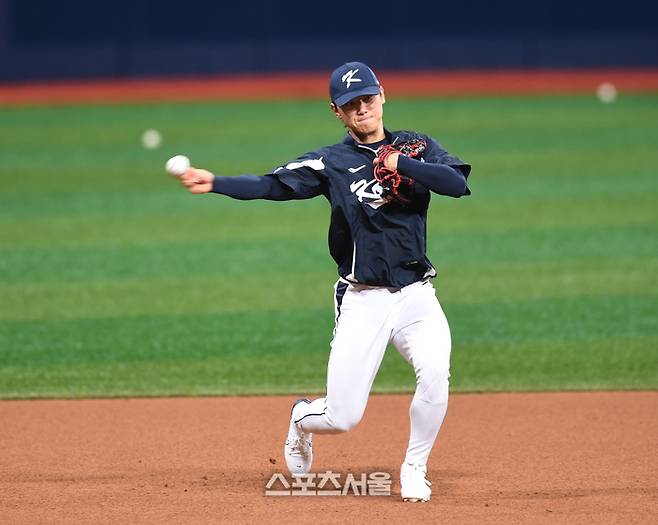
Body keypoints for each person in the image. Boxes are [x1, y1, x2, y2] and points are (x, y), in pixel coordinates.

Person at [178, 61, 471, 502]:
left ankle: (414, 468)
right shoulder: (330, 162)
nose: (362, 109)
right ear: (337, 112)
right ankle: (300, 419)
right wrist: (216, 182)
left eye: (367, 99)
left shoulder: (418, 145)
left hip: (416, 294)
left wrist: (403, 163)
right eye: (351, 105)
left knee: (435, 375)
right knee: (342, 417)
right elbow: (270, 186)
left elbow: (456, 184)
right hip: (363, 297)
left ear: (382, 95)